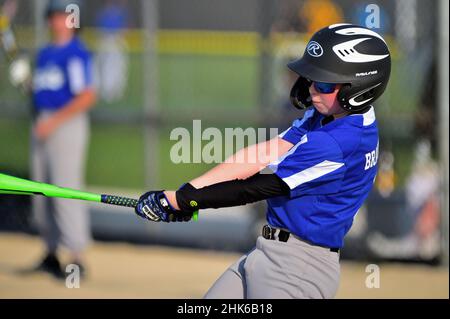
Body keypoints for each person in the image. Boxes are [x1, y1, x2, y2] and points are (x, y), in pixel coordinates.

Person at [135, 24, 391, 299]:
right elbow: (262, 154)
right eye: (312, 79)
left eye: (326, 83)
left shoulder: (337, 143)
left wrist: (182, 201)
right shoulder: (336, 116)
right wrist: (186, 192)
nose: (314, 89)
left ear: (361, 87)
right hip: (268, 251)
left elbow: (253, 188)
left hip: (298, 269)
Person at [30, 0, 95, 279]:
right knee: (41, 190)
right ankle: (51, 252)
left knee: (66, 189)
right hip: (42, 123)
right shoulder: (44, 54)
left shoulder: (76, 53)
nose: (58, 21)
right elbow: (42, 90)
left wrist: (54, 121)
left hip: (65, 124)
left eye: (64, 16)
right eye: (54, 16)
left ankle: (76, 258)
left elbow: (87, 95)